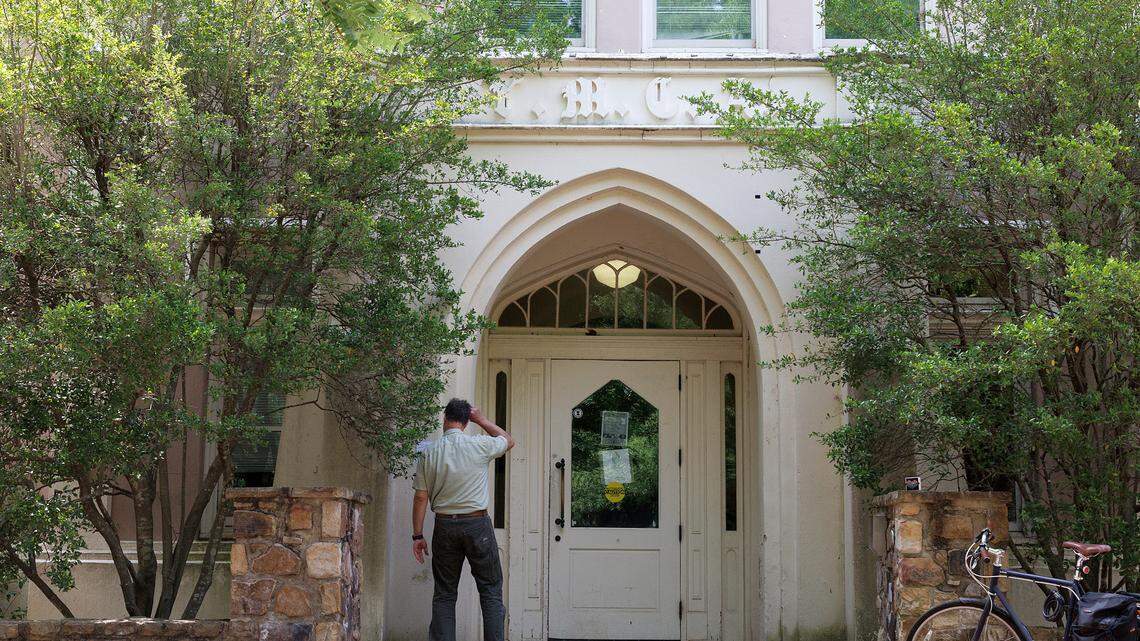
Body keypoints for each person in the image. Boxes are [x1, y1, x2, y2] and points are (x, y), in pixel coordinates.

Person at [412, 398, 515, 641]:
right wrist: (482, 419)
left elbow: (420, 498)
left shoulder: (429, 452)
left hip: (445, 525)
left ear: (444, 418)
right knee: (490, 591)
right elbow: (508, 441)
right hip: (477, 524)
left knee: (445, 594)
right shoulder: (479, 444)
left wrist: (417, 535)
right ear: (467, 422)